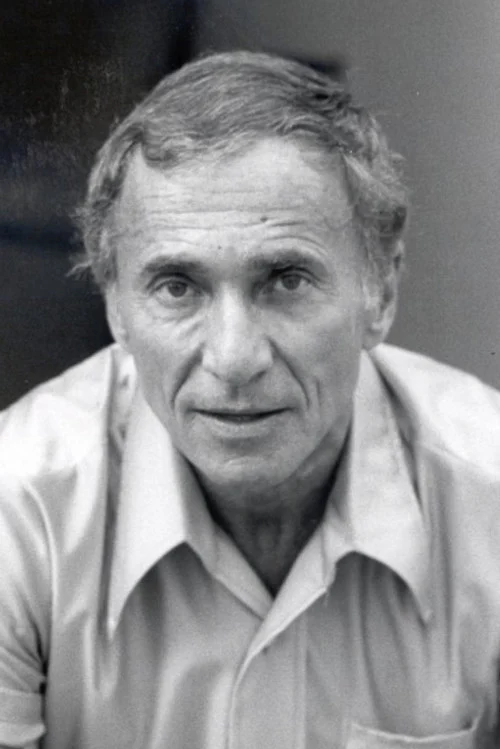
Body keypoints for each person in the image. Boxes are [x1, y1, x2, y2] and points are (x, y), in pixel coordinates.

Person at [1, 50, 500, 749]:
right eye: (177, 286)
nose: (234, 359)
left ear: (380, 290)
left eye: (286, 279)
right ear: (116, 308)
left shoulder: (487, 498)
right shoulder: (19, 509)